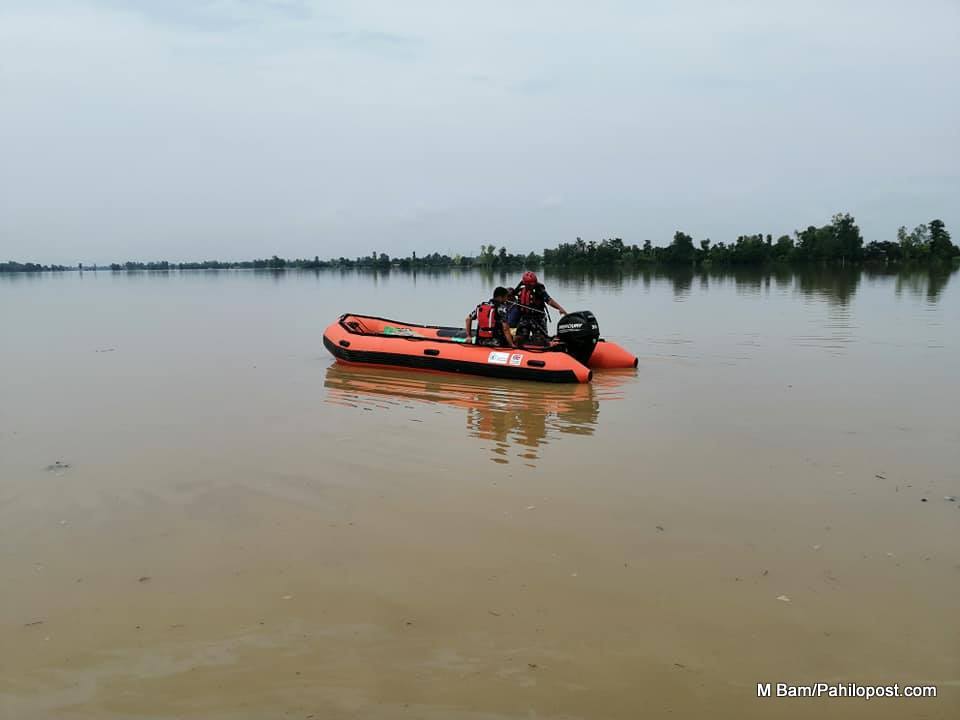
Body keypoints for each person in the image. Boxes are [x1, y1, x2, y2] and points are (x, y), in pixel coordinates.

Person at [509, 271, 566, 345]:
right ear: (525, 283)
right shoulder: (520, 288)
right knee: (520, 338)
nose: (531, 286)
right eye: (529, 285)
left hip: (538, 318)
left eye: (533, 284)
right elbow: (511, 295)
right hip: (524, 317)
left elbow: (549, 300)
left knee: (540, 340)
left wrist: (560, 308)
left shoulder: (539, 289)